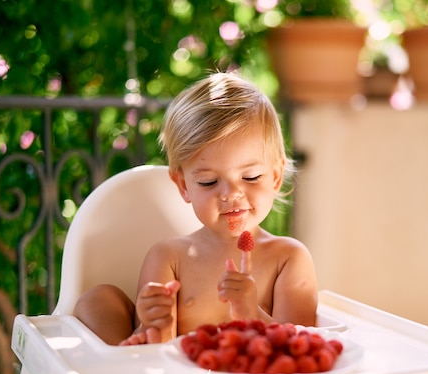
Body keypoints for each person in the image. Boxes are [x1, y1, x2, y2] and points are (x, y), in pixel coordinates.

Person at [73, 72, 318, 346]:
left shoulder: (287, 259)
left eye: (250, 177)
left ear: (275, 176)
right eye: (209, 182)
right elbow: (160, 354)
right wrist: (155, 324)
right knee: (95, 301)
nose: (231, 193)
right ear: (184, 185)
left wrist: (253, 313)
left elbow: (300, 350)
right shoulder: (169, 257)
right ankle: (114, 370)